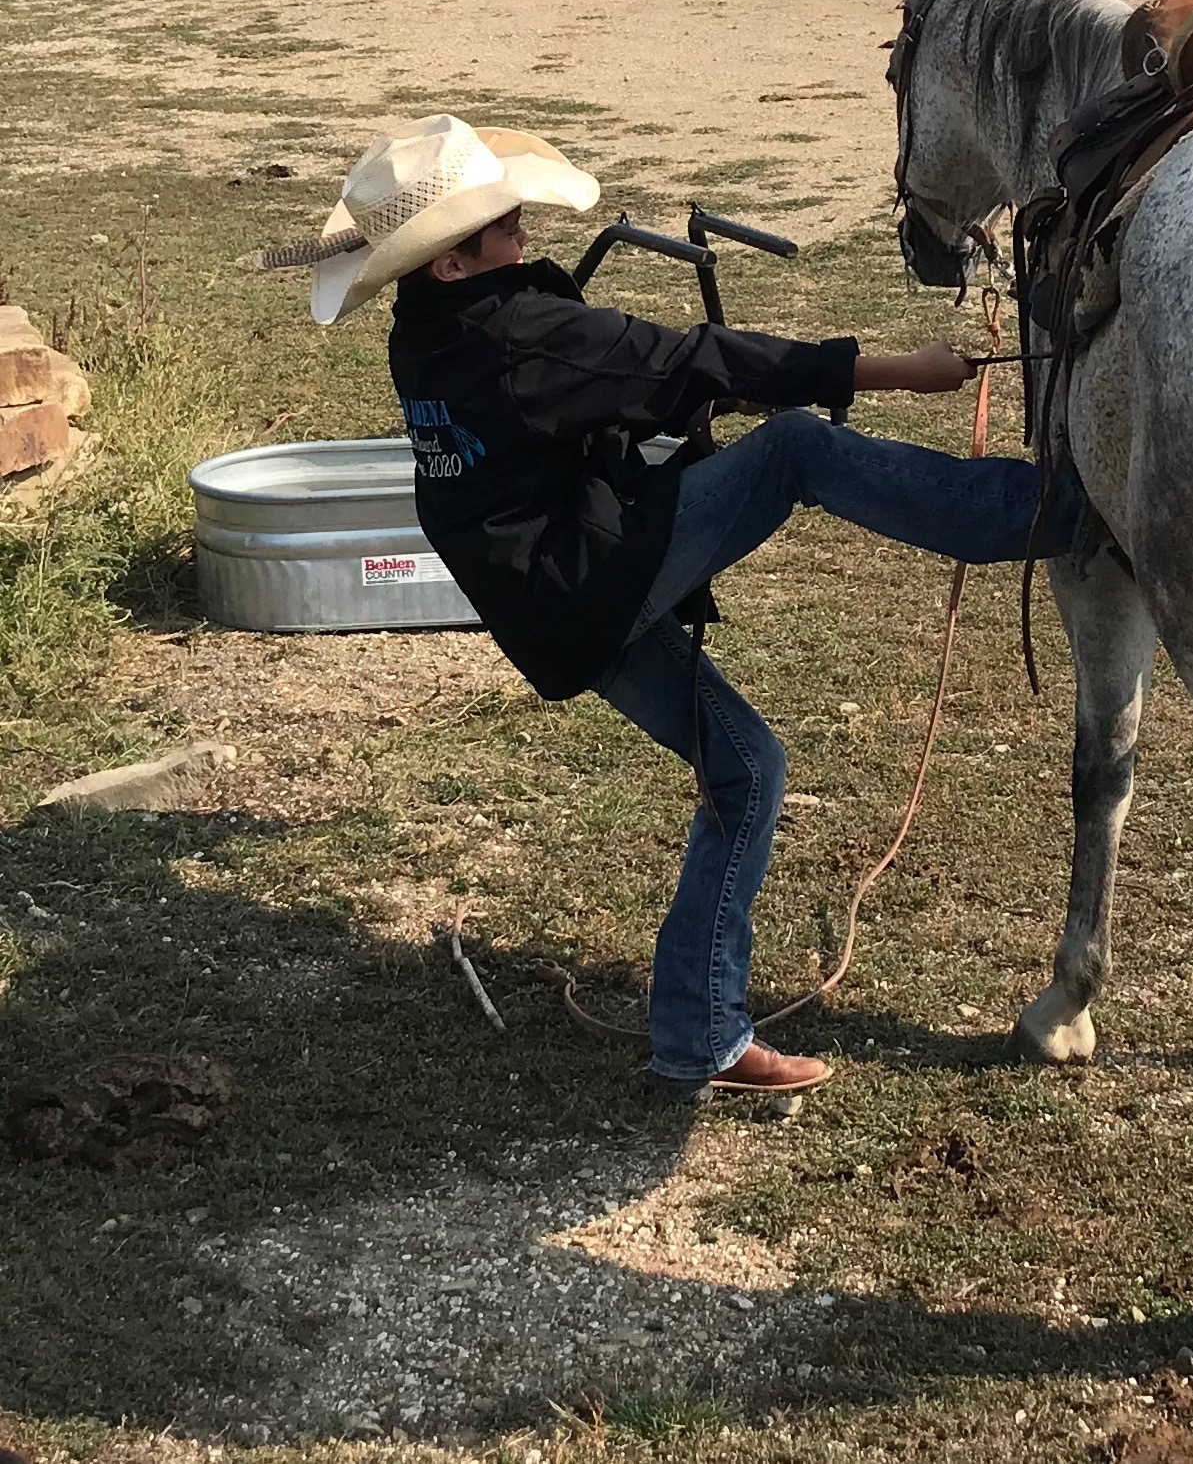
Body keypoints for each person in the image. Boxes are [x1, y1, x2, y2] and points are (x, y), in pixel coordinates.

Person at [268, 114, 1067, 1101]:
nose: (526, 237)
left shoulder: (429, 338)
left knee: (746, 768)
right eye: (506, 228)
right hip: (587, 581)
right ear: (450, 263)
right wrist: (899, 369)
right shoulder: (516, 334)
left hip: (549, 610)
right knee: (794, 450)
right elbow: (694, 359)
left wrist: (645, 412)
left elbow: (591, 402)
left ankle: (697, 1033)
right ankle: (1046, 511)